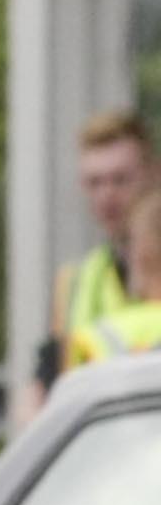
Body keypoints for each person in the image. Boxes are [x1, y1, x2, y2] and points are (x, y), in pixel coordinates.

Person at [38, 106, 150, 419]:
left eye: (120, 179)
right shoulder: (76, 282)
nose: (107, 195)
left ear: (153, 174)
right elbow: (45, 388)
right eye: (94, 182)